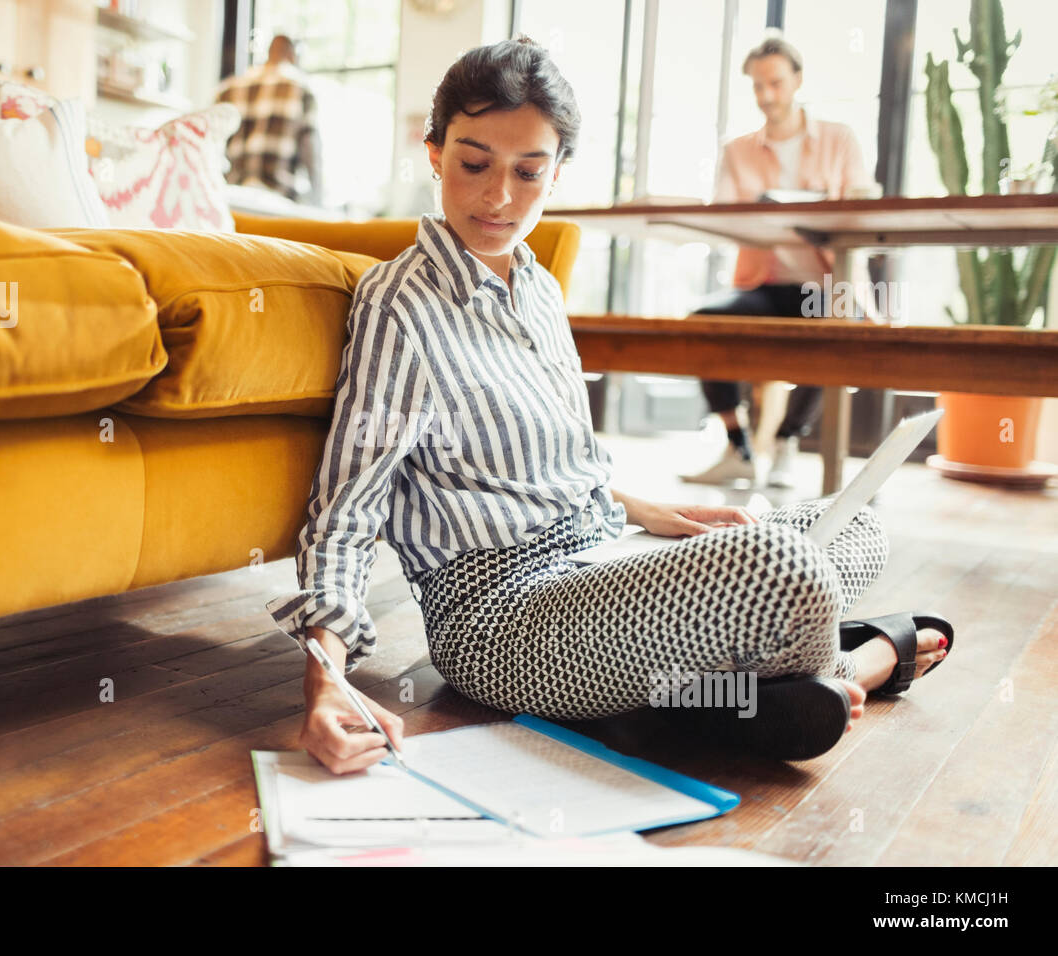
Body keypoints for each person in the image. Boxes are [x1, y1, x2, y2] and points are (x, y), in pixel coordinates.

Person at [265, 37, 950, 775]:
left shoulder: (540, 290)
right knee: (784, 565)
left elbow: (549, 461)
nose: (497, 196)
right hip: (504, 622)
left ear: (556, 174)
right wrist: (325, 681)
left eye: (528, 172)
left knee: (849, 523)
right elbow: (347, 507)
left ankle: (737, 690)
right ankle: (833, 666)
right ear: (434, 154)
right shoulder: (400, 305)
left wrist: (649, 513)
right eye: (473, 163)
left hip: (605, 558)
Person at [682, 34, 876, 489]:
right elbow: (727, 218)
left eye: (775, 83)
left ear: (797, 80)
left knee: (839, 326)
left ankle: (787, 441)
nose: (766, 96)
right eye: (757, 86)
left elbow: (860, 206)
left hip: (828, 286)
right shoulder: (737, 151)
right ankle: (739, 448)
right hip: (764, 286)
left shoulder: (839, 139)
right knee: (700, 323)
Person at [214, 35, 322, 204]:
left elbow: (212, 150)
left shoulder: (227, 89)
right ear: (292, 56)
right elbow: (311, 151)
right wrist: (318, 200)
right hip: (278, 201)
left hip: (232, 198)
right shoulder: (301, 89)